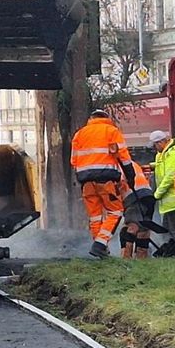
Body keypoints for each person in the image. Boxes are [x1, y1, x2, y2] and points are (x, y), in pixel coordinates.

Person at [71, 108, 143, 258]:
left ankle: (102, 249)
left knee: (95, 216)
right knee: (115, 211)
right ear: (106, 117)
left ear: (91, 118)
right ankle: (100, 244)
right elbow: (123, 156)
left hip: (85, 181)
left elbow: (74, 160)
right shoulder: (111, 131)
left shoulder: (79, 134)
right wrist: (130, 175)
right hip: (106, 179)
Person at [148, 130, 175, 245]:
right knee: (167, 228)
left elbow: (170, 176)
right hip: (168, 203)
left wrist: (157, 194)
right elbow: (163, 165)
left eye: (155, 145)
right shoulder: (163, 154)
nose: (154, 148)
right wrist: (153, 166)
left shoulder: (174, 155)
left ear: (161, 142)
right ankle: (173, 249)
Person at [117, 163, 155, 259]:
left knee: (131, 227)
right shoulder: (131, 163)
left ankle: (126, 258)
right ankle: (142, 259)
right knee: (144, 228)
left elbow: (118, 185)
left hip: (133, 196)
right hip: (148, 196)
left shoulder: (114, 166)